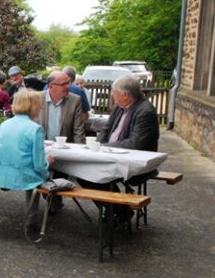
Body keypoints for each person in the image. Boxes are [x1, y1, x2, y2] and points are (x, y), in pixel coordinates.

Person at [81, 74, 160, 223]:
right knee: (83, 174)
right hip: (109, 155)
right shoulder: (119, 106)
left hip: (133, 162)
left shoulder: (145, 112)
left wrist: (103, 147)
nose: (112, 95)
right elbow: (106, 129)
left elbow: (134, 144)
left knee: (95, 175)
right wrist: (97, 145)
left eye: (113, 92)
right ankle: (117, 210)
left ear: (125, 95)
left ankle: (119, 211)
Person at [0, 90, 55, 230]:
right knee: (41, 175)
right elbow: (39, 165)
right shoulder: (35, 129)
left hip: (1, 174)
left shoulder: (5, 124)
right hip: (22, 177)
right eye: (39, 104)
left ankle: (48, 209)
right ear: (32, 106)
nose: (40, 107)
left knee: (32, 171)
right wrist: (48, 163)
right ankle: (33, 219)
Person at [37, 70, 86, 145]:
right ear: (51, 86)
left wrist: (79, 151)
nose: (68, 86)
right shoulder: (36, 99)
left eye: (68, 83)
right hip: (41, 147)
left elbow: (78, 131)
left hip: (65, 149)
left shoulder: (75, 101)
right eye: (63, 84)